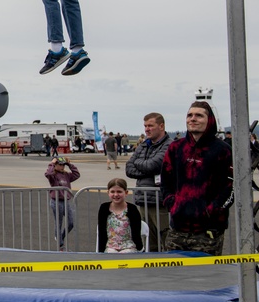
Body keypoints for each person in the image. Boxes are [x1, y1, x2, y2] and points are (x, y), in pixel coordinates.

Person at [161, 101, 234, 255]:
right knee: (172, 276)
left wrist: (212, 210)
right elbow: (165, 180)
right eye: (189, 115)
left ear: (210, 120)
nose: (192, 119)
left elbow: (230, 187)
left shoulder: (223, 150)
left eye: (199, 115)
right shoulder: (176, 148)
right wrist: (172, 204)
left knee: (205, 276)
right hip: (177, 228)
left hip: (208, 230)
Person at [125, 112, 172, 251]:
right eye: (145, 126)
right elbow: (129, 168)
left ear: (161, 126)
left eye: (150, 125)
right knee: (150, 244)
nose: (147, 129)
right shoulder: (144, 145)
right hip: (143, 201)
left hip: (161, 202)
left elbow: (153, 165)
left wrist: (140, 163)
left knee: (167, 241)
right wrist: (147, 168)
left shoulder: (169, 145)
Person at [97, 178, 143, 253]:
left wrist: (141, 249)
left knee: (125, 253)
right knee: (111, 253)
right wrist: (100, 252)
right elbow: (102, 232)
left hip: (129, 246)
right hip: (110, 246)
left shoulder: (132, 209)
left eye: (119, 192)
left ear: (126, 192)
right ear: (108, 193)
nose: (116, 195)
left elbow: (136, 232)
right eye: (112, 192)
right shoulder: (104, 208)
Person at [45, 156, 81, 250]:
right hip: (56, 201)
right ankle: (60, 245)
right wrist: (52, 163)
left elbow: (77, 174)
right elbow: (48, 174)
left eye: (63, 165)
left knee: (71, 222)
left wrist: (69, 164)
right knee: (59, 222)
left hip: (66, 201)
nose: (62, 167)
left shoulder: (67, 175)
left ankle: (61, 236)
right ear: (55, 165)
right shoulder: (53, 176)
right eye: (60, 165)